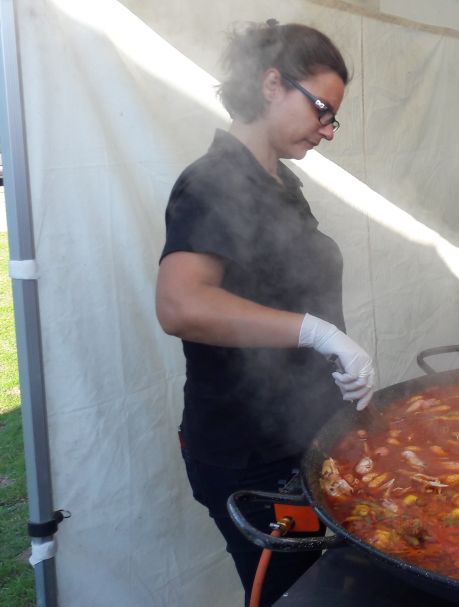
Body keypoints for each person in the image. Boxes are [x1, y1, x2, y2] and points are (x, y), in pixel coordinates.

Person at [155, 20, 373, 605]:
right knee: (297, 595)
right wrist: (316, 332)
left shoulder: (282, 182)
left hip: (306, 435)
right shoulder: (210, 182)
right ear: (273, 83)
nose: (328, 130)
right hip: (251, 457)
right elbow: (180, 304)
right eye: (322, 110)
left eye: (333, 117)